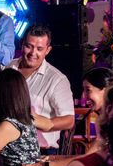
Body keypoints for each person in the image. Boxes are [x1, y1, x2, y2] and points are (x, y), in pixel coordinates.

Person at [7, 25, 74, 156]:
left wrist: (37, 121)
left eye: (39, 49)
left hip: (40, 154)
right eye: (29, 46)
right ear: (21, 44)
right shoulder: (8, 67)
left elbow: (69, 120)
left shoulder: (57, 79)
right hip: (7, 149)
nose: (33, 53)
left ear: (48, 50)